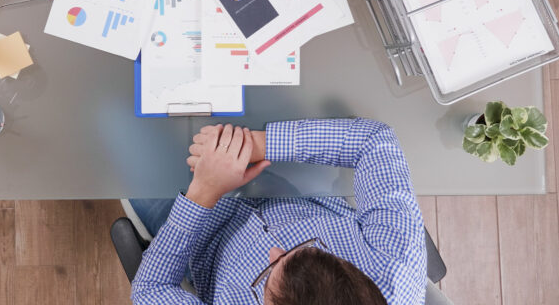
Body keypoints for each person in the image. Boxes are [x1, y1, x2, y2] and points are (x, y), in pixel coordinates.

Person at [129, 120, 427, 304]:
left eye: (267, 277)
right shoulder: (396, 266)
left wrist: (204, 191)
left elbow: (150, 289)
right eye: (312, 249)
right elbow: (374, 141)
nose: (273, 251)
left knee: (117, 126)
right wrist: (255, 145)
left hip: (201, 230)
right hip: (291, 182)